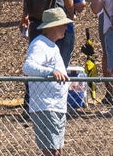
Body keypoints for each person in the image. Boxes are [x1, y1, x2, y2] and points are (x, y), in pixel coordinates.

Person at [22, 8, 74, 156]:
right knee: (52, 151)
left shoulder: (52, 46)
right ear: (53, 26)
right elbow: (28, 67)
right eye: (63, 24)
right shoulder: (40, 45)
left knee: (58, 149)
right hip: (45, 105)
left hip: (56, 105)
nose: (66, 28)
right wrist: (50, 72)